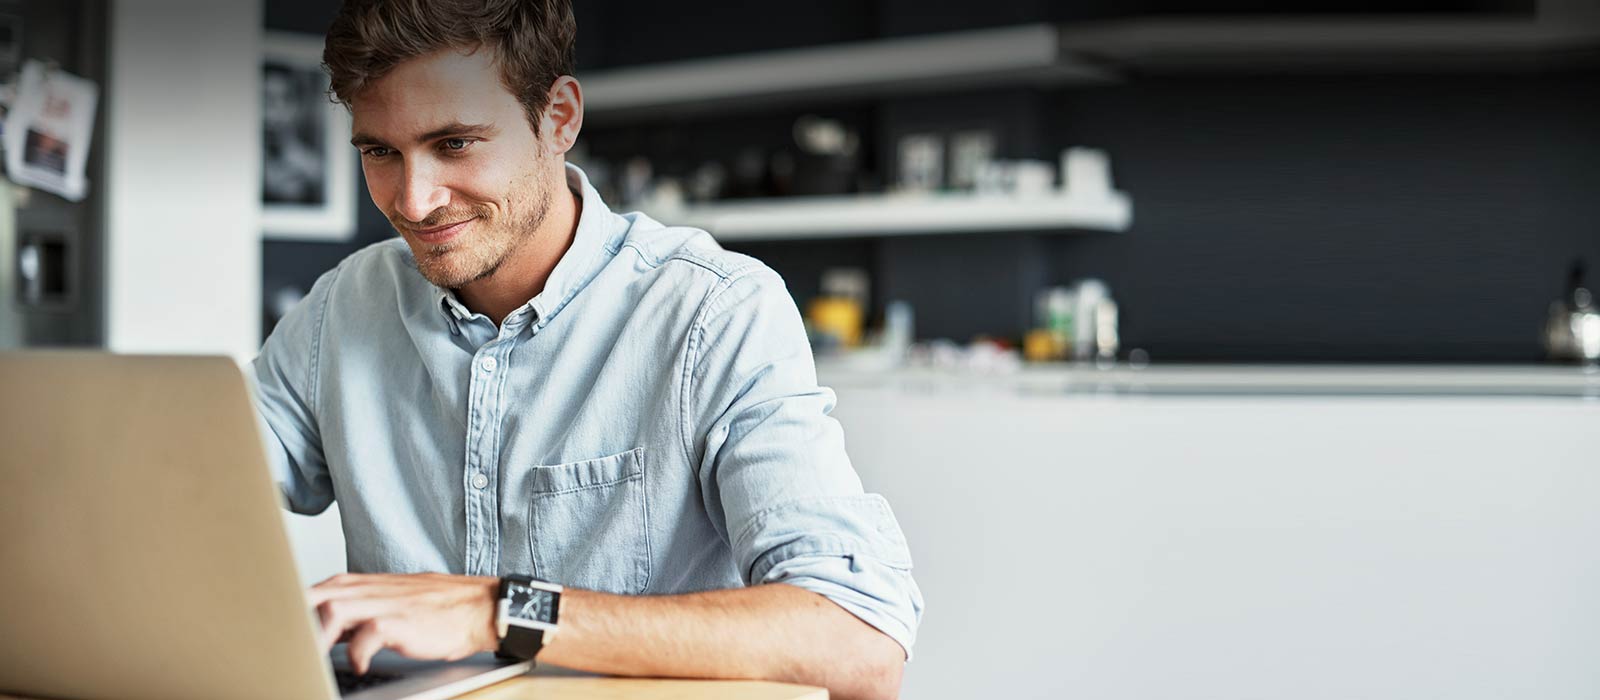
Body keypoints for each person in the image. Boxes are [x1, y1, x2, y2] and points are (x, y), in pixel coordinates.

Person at [248, 2, 922, 699]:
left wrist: (503, 612)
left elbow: (859, 641)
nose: (415, 202)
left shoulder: (713, 311)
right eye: (380, 152)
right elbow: (192, 485)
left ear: (559, 118)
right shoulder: (343, 306)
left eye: (454, 144)